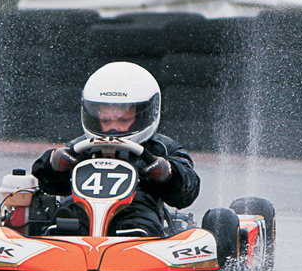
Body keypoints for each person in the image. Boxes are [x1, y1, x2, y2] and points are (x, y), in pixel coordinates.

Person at [31, 61, 200, 237]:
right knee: (63, 221)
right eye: (106, 121)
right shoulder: (80, 147)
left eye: (123, 121)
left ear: (144, 114)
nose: (114, 129)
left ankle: (133, 254)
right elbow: (49, 184)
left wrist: (169, 175)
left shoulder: (162, 149)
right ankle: (57, 252)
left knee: (138, 225)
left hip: (137, 209)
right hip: (81, 207)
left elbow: (187, 191)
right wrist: (54, 165)